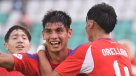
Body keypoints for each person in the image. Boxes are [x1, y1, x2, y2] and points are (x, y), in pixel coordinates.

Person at [37, 3, 132, 76]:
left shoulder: (88, 50)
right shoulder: (123, 49)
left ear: (91, 24)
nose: (85, 27)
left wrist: (41, 50)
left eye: (86, 23)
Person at [0, 10, 72, 76]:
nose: (54, 36)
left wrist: (40, 51)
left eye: (59, 30)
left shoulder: (79, 58)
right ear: (43, 35)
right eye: (49, 31)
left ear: (69, 33)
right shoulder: (30, 60)